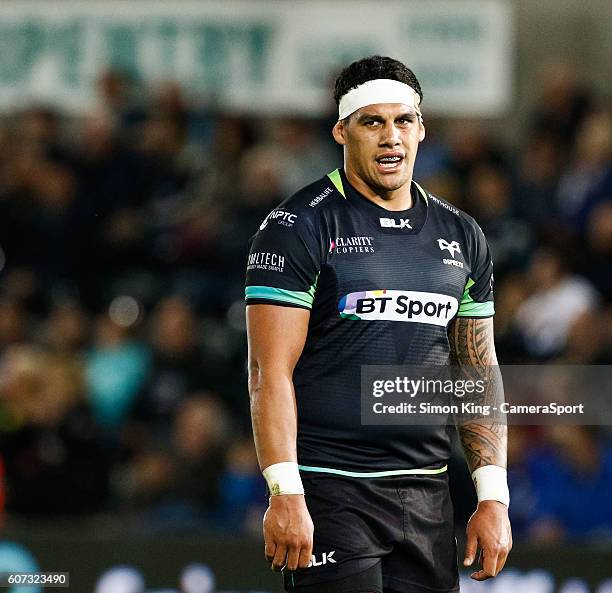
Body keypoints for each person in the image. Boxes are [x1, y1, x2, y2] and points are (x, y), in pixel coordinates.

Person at [245, 55, 511, 593]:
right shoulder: (297, 227)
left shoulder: (462, 236)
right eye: (372, 122)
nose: (391, 137)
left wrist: (492, 496)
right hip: (332, 494)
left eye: (403, 121)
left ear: (422, 128)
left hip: (427, 496)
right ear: (342, 131)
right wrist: (284, 490)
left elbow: (476, 370)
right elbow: (267, 371)